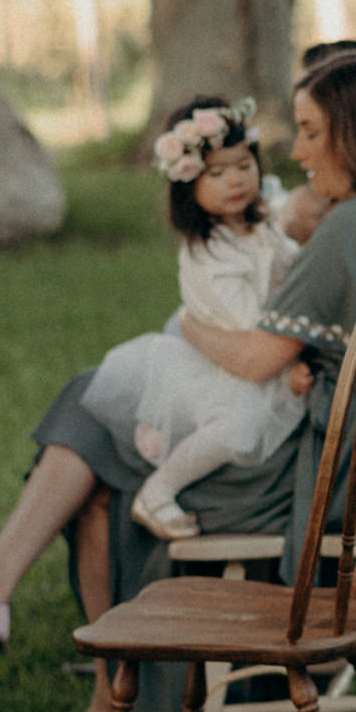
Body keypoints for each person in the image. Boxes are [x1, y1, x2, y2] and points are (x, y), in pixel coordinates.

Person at [0, 52, 356, 712]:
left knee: (96, 428)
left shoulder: (352, 227)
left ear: (355, 132)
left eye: (313, 131)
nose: (299, 149)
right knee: (100, 420)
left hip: (319, 482)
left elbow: (258, 356)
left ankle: (84, 677)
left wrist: (191, 325)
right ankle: (53, 649)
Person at [78, 96, 308, 541]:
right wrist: (291, 355)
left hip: (256, 354)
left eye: (243, 165)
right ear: (188, 182)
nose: (235, 181)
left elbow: (289, 262)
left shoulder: (259, 224)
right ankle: (159, 490)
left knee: (254, 413)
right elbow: (249, 325)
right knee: (238, 426)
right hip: (230, 362)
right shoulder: (208, 254)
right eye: (216, 173)